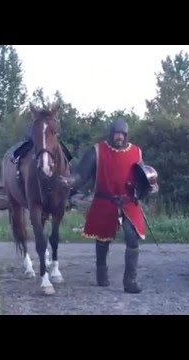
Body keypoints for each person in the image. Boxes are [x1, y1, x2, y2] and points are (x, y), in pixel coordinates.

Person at [58, 118, 157, 294]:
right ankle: (101, 271)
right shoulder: (97, 151)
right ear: (111, 134)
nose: (119, 137)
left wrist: (149, 186)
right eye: (116, 134)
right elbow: (81, 174)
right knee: (103, 239)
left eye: (122, 134)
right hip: (105, 201)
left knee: (132, 238)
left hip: (128, 201)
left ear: (126, 135)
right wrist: (69, 181)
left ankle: (130, 281)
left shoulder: (136, 152)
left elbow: (141, 175)